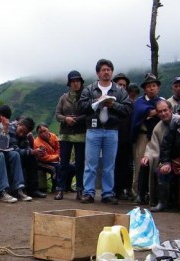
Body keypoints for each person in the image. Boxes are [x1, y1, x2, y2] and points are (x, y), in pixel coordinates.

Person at [77, 59, 132, 204]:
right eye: (103, 70)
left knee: (109, 164)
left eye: (109, 70)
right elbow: (81, 107)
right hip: (93, 130)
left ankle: (107, 193)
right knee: (90, 164)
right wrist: (97, 102)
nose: (106, 72)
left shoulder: (120, 91)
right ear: (98, 73)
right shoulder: (89, 89)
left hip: (112, 130)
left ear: (112, 72)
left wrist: (112, 104)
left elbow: (127, 109)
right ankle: (88, 193)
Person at [141, 99, 180, 211]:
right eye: (160, 112)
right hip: (166, 159)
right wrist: (147, 156)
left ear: (171, 110)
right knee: (148, 166)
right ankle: (153, 200)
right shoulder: (158, 127)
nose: (163, 114)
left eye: (165, 110)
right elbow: (153, 145)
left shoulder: (179, 122)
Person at [129, 73, 162, 204]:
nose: (152, 88)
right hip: (142, 136)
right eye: (149, 86)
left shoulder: (161, 101)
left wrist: (153, 113)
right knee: (140, 164)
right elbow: (142, 112)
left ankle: (152, 194)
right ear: (145, 89)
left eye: (154, 86)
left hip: (157, 138)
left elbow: (162, 112)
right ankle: (138, 192)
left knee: (155, 164)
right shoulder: (139, 102)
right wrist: (151, 113)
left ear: (158, 88)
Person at [54, 70, 86, 200]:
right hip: (65, 134)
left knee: (80, 163)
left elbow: (89, 113)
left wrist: (77, 119)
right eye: (73, 81)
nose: (76, 83)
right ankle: (60, 189)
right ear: (69, 83)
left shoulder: (85, 97)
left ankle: (80, 189)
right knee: (64, 163)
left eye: (78, 81)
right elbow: (57, 115)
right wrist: (65, 119)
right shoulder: (63, 97)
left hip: (81, 134)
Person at [9, 117, 46, 198]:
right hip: (10, 154)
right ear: (18, 124)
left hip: (18, 155)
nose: (22, 134)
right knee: (18, 155)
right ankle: (18, 189)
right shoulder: (10, 129)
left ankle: (33, 190)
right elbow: (13, 148)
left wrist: (36, 151)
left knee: (32, 158)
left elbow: (26, 146)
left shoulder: (24, 134)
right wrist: (31, 152)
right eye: (21, 131)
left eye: (25, 133)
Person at [113, 73, 134, 200]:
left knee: (125, 166)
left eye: (124, 85)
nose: (121, 87)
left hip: (126, 139)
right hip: (112, 137)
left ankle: (122, 190)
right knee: (112, 165)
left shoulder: (130, 103)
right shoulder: (108, 101)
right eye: (119, 84)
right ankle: (112, 190)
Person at [33, 123, 60, 195]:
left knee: (71, 167)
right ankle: (55, 188)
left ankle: (67, 186)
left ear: (48, 129)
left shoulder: (53, 136)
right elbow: (45, 158)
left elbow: (58, 148)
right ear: (38, 134)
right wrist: (57, 156)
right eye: (40, 132)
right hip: (41, 162)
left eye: (44, 131)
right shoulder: (37, 142)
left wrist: (56, 156)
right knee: (55, 168)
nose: (43, 133)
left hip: (54, 160)